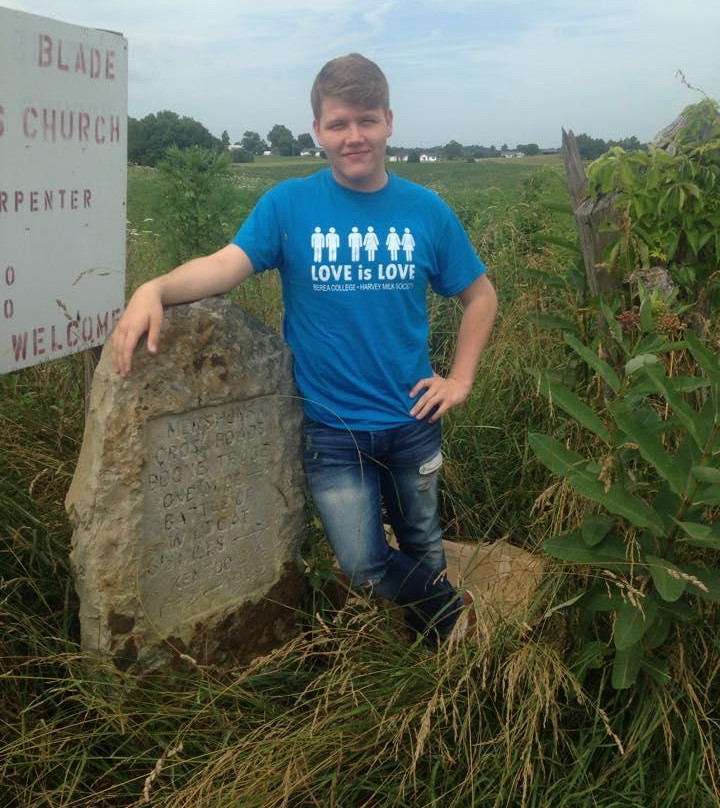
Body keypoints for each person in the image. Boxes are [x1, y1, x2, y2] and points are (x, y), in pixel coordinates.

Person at [112, 53, 498, 643]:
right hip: (332, 428)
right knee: (365, 564)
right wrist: (155, 287)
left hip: (413, 418)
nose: (354, 136)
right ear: (317, 129)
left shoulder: (426, 211)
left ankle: (436, 651)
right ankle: (455, 611)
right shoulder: (288, 206)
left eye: (366, 120)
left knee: (422, 539)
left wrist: (461, 380)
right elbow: (225, 266)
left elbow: (481, 297)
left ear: (389, 122)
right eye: (339, 123)